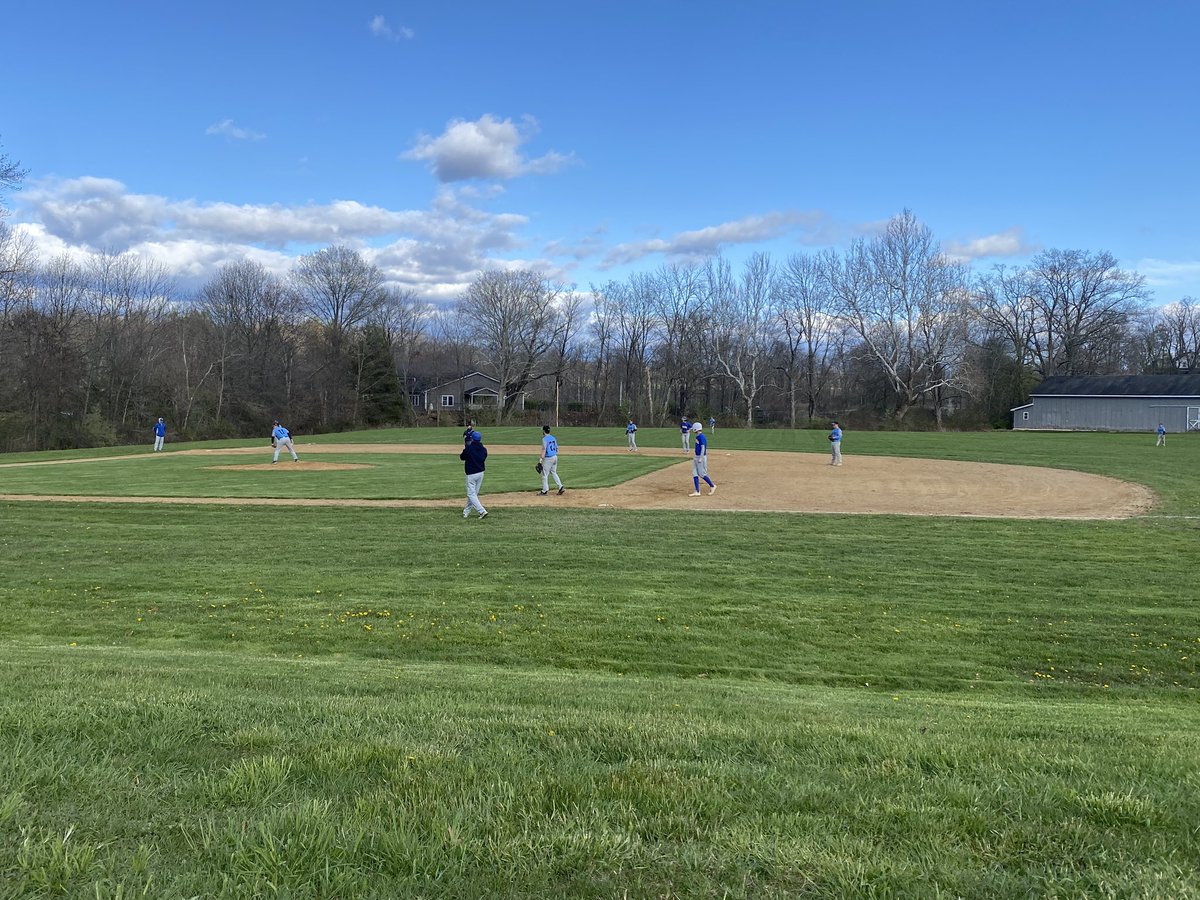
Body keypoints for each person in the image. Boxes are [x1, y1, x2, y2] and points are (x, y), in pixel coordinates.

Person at [460, 430, 489, 520]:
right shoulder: (483, 449)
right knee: (473, 494)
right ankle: (466, 512)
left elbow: (462, 457)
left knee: (471, 494)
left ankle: (482, 511)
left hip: (471, 474)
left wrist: (466, 448)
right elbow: (484, 457)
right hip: (480, 473)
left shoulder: (469, 448)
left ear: (472, 439)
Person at [688, 422, 716, 496]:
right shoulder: (698, 437)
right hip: (696, 456)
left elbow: (703, 448)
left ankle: (712, 486)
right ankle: (697, 491)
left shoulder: (701, 437)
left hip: (701, 457)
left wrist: (700, 458)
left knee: (702, 474)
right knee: (694, 473)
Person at [538, 425, 564, 495]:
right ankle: (560, 486)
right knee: (553, 472)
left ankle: (544, 490)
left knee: (544, 474)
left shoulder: (544, 439)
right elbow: (557, 448)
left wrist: (540, 460)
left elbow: (544, 449)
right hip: (555, 457)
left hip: (548, 458)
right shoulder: (553, 438)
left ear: (544, 431)